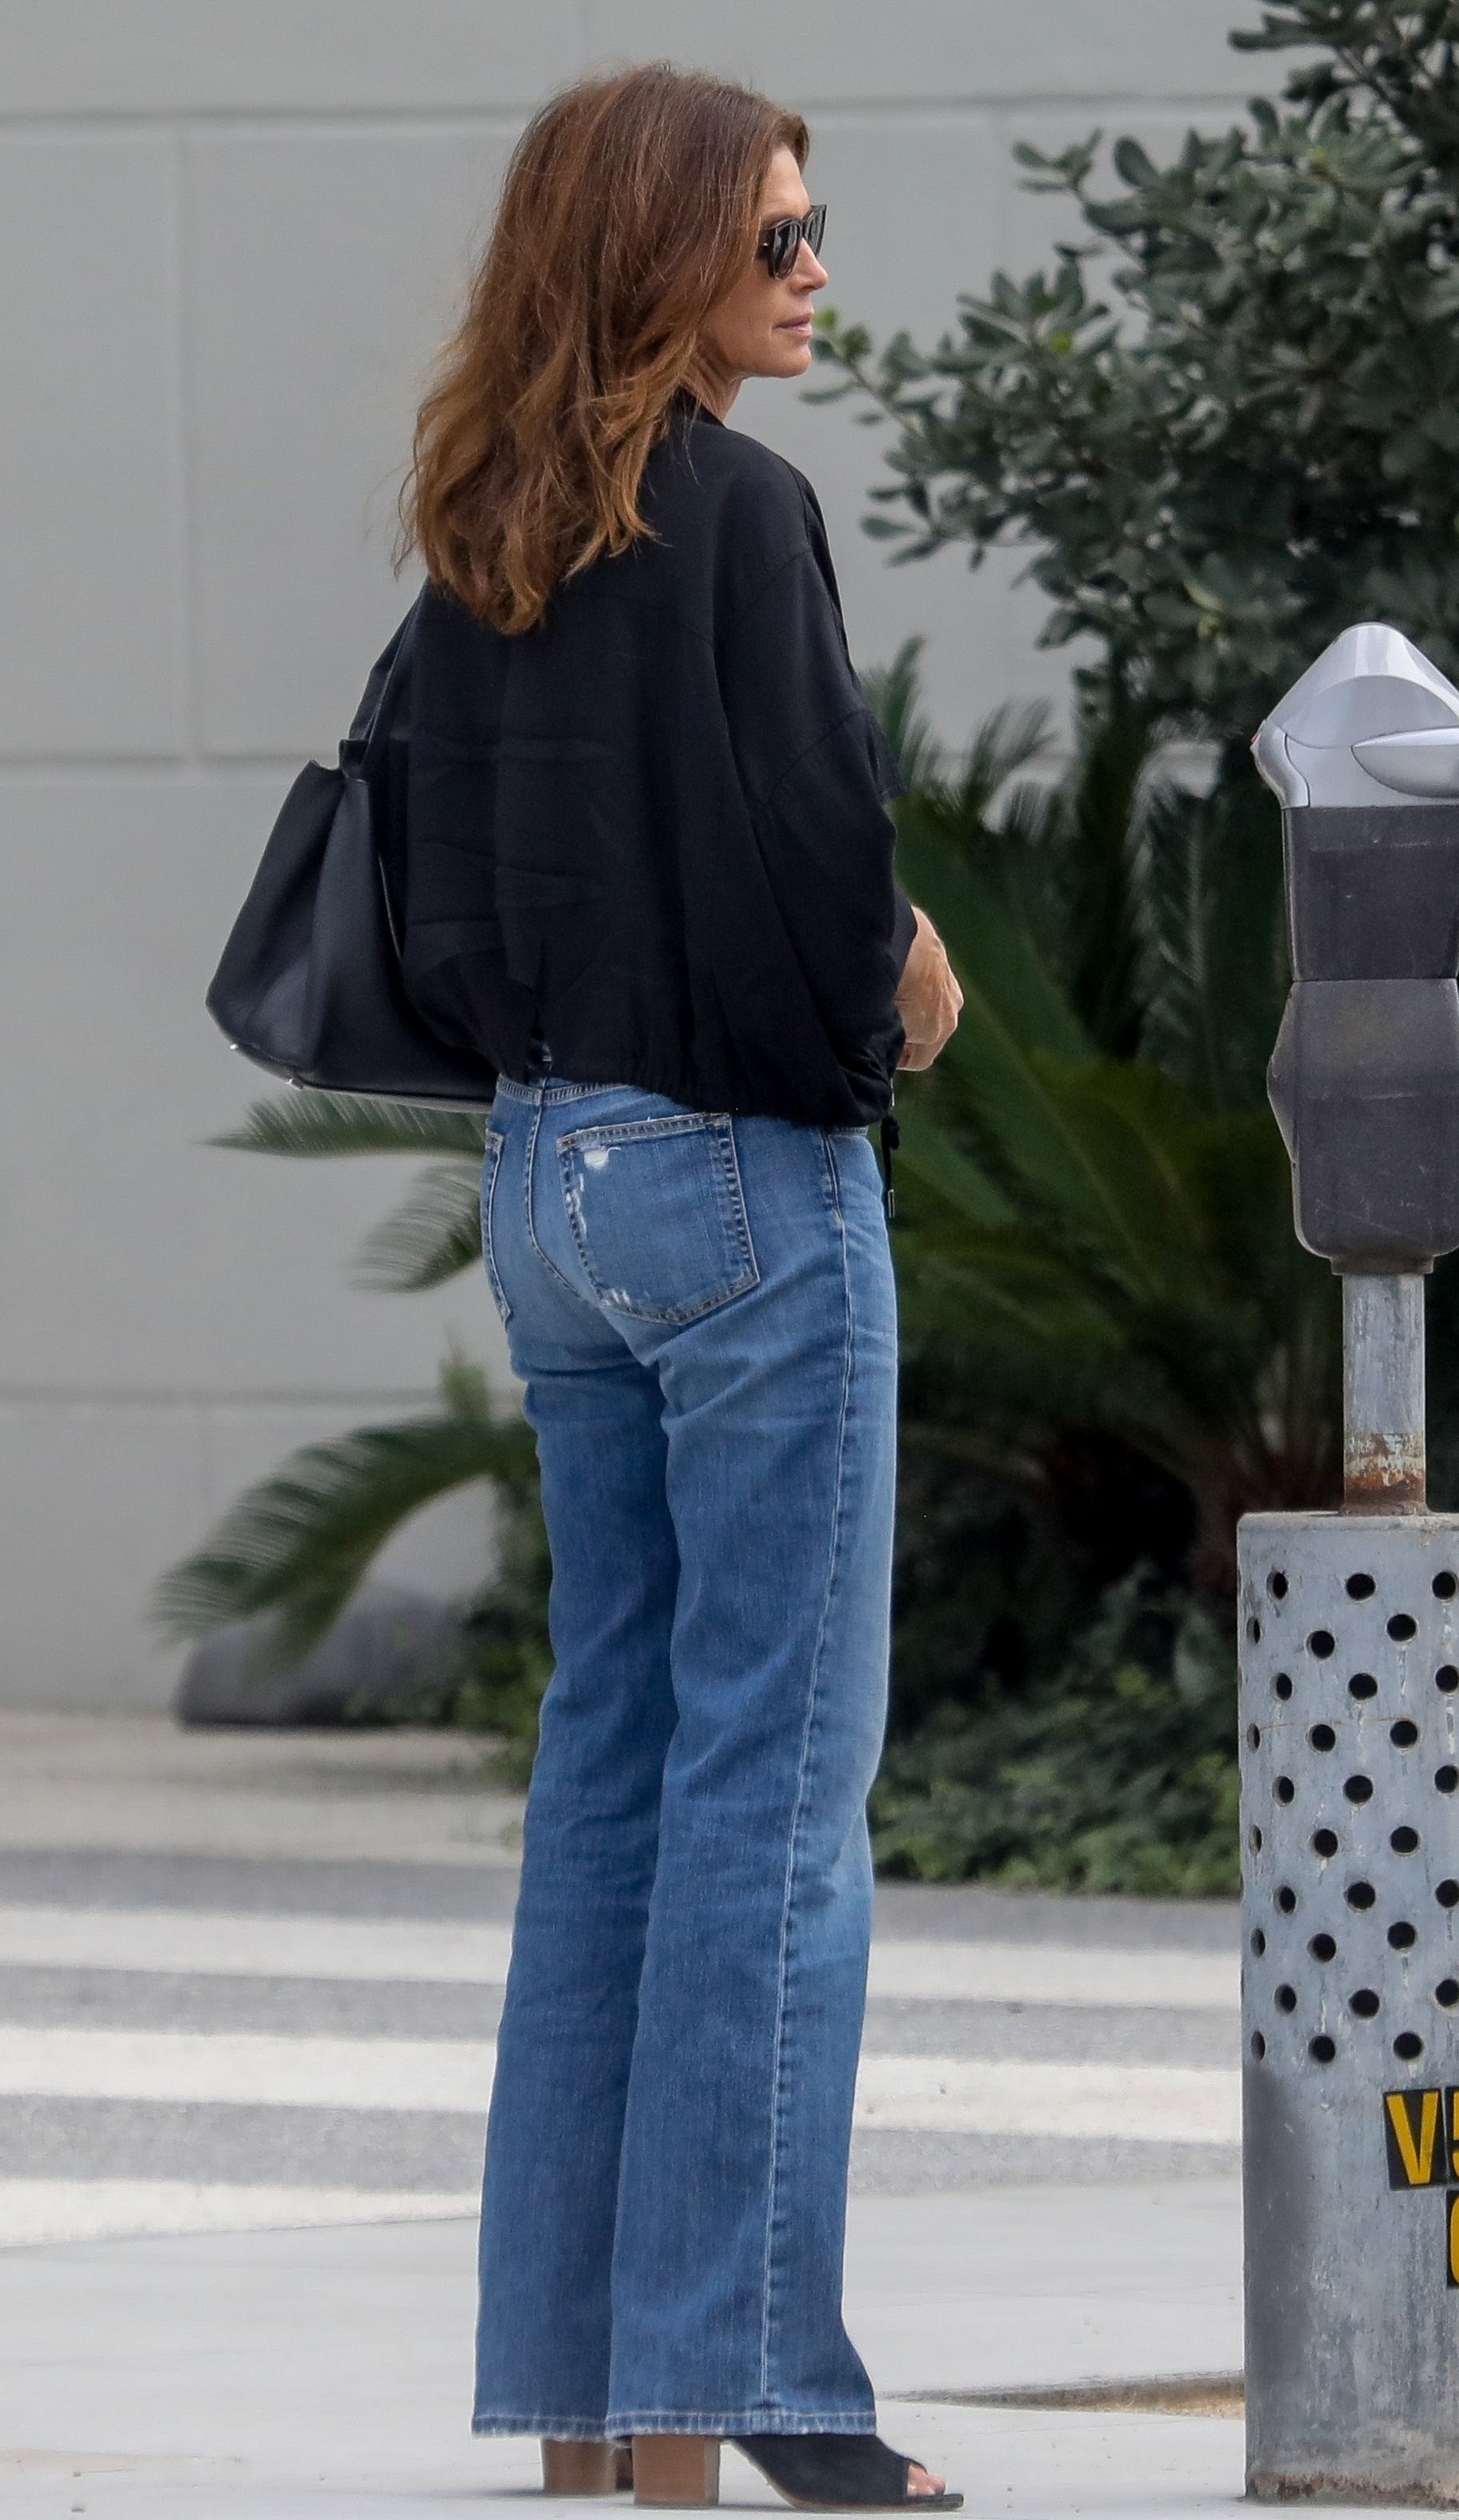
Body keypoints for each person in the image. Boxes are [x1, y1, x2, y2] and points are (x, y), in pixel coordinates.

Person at [396, 62, 964, 2513]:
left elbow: (430, 878)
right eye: (775, 239)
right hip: (739, 1187)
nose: (815, 275)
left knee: (609, 1780)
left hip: (549, 1179)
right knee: (773, 1791)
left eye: (815, 232)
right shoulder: (740, 514)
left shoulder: (481, 530)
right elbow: (827, 855)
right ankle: (759, 2387)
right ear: (659, 257)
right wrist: (899, 1014)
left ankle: (594, 2413)